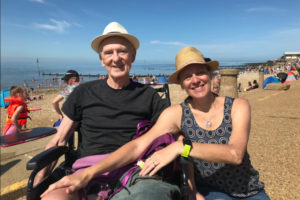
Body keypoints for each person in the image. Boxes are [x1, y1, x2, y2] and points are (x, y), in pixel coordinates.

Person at [42, 46, 270, 200]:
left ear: (210, 75)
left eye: (200, 72)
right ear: (181, 84)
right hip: (208, 191)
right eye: (187, 76)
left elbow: (234, 154)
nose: (195, 80)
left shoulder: (237, 106)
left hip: (248, 189)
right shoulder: (176, 113)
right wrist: (87, 173)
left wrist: (181, 147)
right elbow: (139, 145)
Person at [37, 22, 179, 200]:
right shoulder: (83, 92)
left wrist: (184, 149)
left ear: (133, 56)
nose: (116, 58)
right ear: (101, 59)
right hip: (85, 171)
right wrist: (38, 183)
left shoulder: (149, 96)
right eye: (108, 52)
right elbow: (59, 140)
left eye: (122, 51)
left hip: (133, 172)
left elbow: (173, 129)